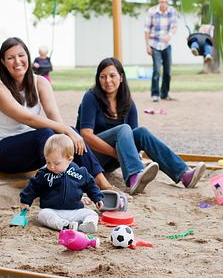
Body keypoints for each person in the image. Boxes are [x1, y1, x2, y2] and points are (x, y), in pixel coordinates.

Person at [0, 37, 117, 192]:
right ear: (3, 62)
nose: (17, 61)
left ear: (28, 57)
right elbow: (27, 118)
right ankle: (61, 186)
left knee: (66, 134)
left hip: (29, 152)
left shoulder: (40, 82)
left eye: (21, 55)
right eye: (11, 58)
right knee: (49, 132)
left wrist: (67, 135)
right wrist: (65, 130)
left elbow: (53, 115)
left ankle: (103, 184)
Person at [77, 57, 206, 195]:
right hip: (90, 156)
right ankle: (134, 176)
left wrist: (128, 154)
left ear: (121, 77)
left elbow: (132, 139)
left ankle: (183, 174)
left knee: (141, 132)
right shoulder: (91, 97)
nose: (107, 80)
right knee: (124, 129)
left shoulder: (128, 103)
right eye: (102, 77)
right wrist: (117, 153)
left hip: (113, 160)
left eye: (112, 76)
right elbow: (86, 135)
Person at [19, 135, 104, 233]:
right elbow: (33, 186)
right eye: (48, 162)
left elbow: (90, 185)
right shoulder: (44, 174)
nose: (51, 166)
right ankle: (65, 225)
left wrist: (97, 198)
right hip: (53, 211)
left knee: (91, 213)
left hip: (75, 211)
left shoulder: (79, 172)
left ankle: (88, 225)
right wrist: (25, 201)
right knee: (42, 215)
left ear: (69, 159)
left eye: (56, 163)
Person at [144, 0, 179, 102]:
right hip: (154, 44)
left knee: (168, 72)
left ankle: (165, 94)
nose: (163, 0)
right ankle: (155, 94)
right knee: (157, 70)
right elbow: (146, 30)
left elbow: (175, 27)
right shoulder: (152, 12)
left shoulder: (172, 11)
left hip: (166, 45)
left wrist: (169, 35)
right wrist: (147, 46)